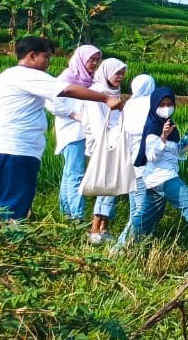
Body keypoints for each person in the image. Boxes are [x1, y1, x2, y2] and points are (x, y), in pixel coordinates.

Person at [0, 36, 122, 221]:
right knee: (13, 206)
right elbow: (67, 90)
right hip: (12, 148)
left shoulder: (8, 76)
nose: (49, 62)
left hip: (1, 146)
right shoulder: (28, 75)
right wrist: (106, 98)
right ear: (32, 56)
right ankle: (4, 236)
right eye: (46, 57)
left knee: (7, 201)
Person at [129, 86, 188, 248]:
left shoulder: (169, 126)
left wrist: (182, 147)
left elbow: (173, 154)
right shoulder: (154, 127)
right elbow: (151, 156)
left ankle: (128, 246)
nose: (166, 108)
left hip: (155, 179)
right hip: (164, 178)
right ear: (154, 105)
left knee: (147, 218)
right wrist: (163, 137)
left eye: (169, 104)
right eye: (162, 105)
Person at [48, 44, 102, 222]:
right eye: (91, 59)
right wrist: (72, 114)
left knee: (69, 173)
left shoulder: (89, 80)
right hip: (72, 132)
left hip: (81, 132)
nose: (94, 63)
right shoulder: (66, 78)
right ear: (81, 59)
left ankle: (66, 213)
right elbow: (50, 101)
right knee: (76, 174)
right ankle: (77, 217)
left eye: (97, 60)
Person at [82, 57, 128, 243]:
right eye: (117, 73)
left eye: (123, 73)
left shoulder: (114, 92)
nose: (121, 77)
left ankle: (103, 228)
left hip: (114, 142)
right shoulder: (96, 93)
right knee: (107, 186)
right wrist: (111, 141)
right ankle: (95, 229)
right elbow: (96, 124)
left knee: (112, 186)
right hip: (102, 144)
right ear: (107, 72)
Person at [113, 74, 156, 248]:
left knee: (135, 208)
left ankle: (136, 245)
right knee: (141, 210)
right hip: (148, 164)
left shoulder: (129, 105)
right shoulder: (153, 105)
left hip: (131, 163)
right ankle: (120, 247)